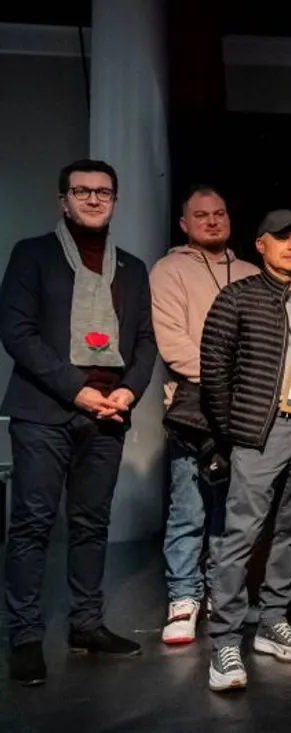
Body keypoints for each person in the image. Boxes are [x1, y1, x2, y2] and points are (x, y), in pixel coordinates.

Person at [1, 159, 157, 686]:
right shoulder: (33, 254)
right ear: (62, 200)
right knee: (33, 524)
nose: (93, 199)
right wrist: (78, 390)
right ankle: (25, 636)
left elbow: (145, 340)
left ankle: (86, 625)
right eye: (82, 191)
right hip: (45, 411)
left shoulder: (132, 267)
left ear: (115, 200)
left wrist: (128, 391)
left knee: (92, 523)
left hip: (109, 413)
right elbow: (17, 333)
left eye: (103, 192)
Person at [202, 209, 291, 691]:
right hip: (260, 431)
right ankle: (224, 640)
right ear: (260, 244)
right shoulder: (237, 296)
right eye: (283, 238)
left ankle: (272, 621)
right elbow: (214, 371)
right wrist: (236, 428)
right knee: (241, 534)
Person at [150, 185, 260, 646]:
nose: (212, 221)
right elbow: (173, 343)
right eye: (201, 215)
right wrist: (231, 380)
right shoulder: (169, 269)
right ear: (184, 224)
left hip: (245, 410)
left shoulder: (252, 272)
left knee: (230, 509)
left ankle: (220, 592)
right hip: (193, 408)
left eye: (219, 213)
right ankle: (183, 596)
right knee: (188, 506)